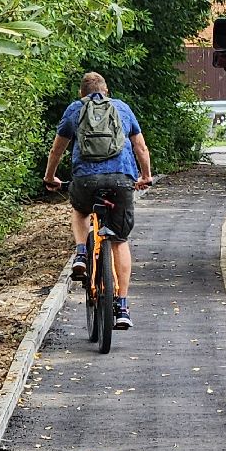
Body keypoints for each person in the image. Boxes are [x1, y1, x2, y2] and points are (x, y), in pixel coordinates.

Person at [43, 72, 153, 329]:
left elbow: (57, 149)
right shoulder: (122, 108)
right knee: (119, 240)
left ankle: (82, 253)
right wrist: (145, 176)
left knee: (80, 211)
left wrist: (50, 177)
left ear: (82, 93)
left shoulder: (75, 109)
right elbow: (140, 148)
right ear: (107, 91)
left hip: (85, 180)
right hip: (120, 180)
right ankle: (123, 306)